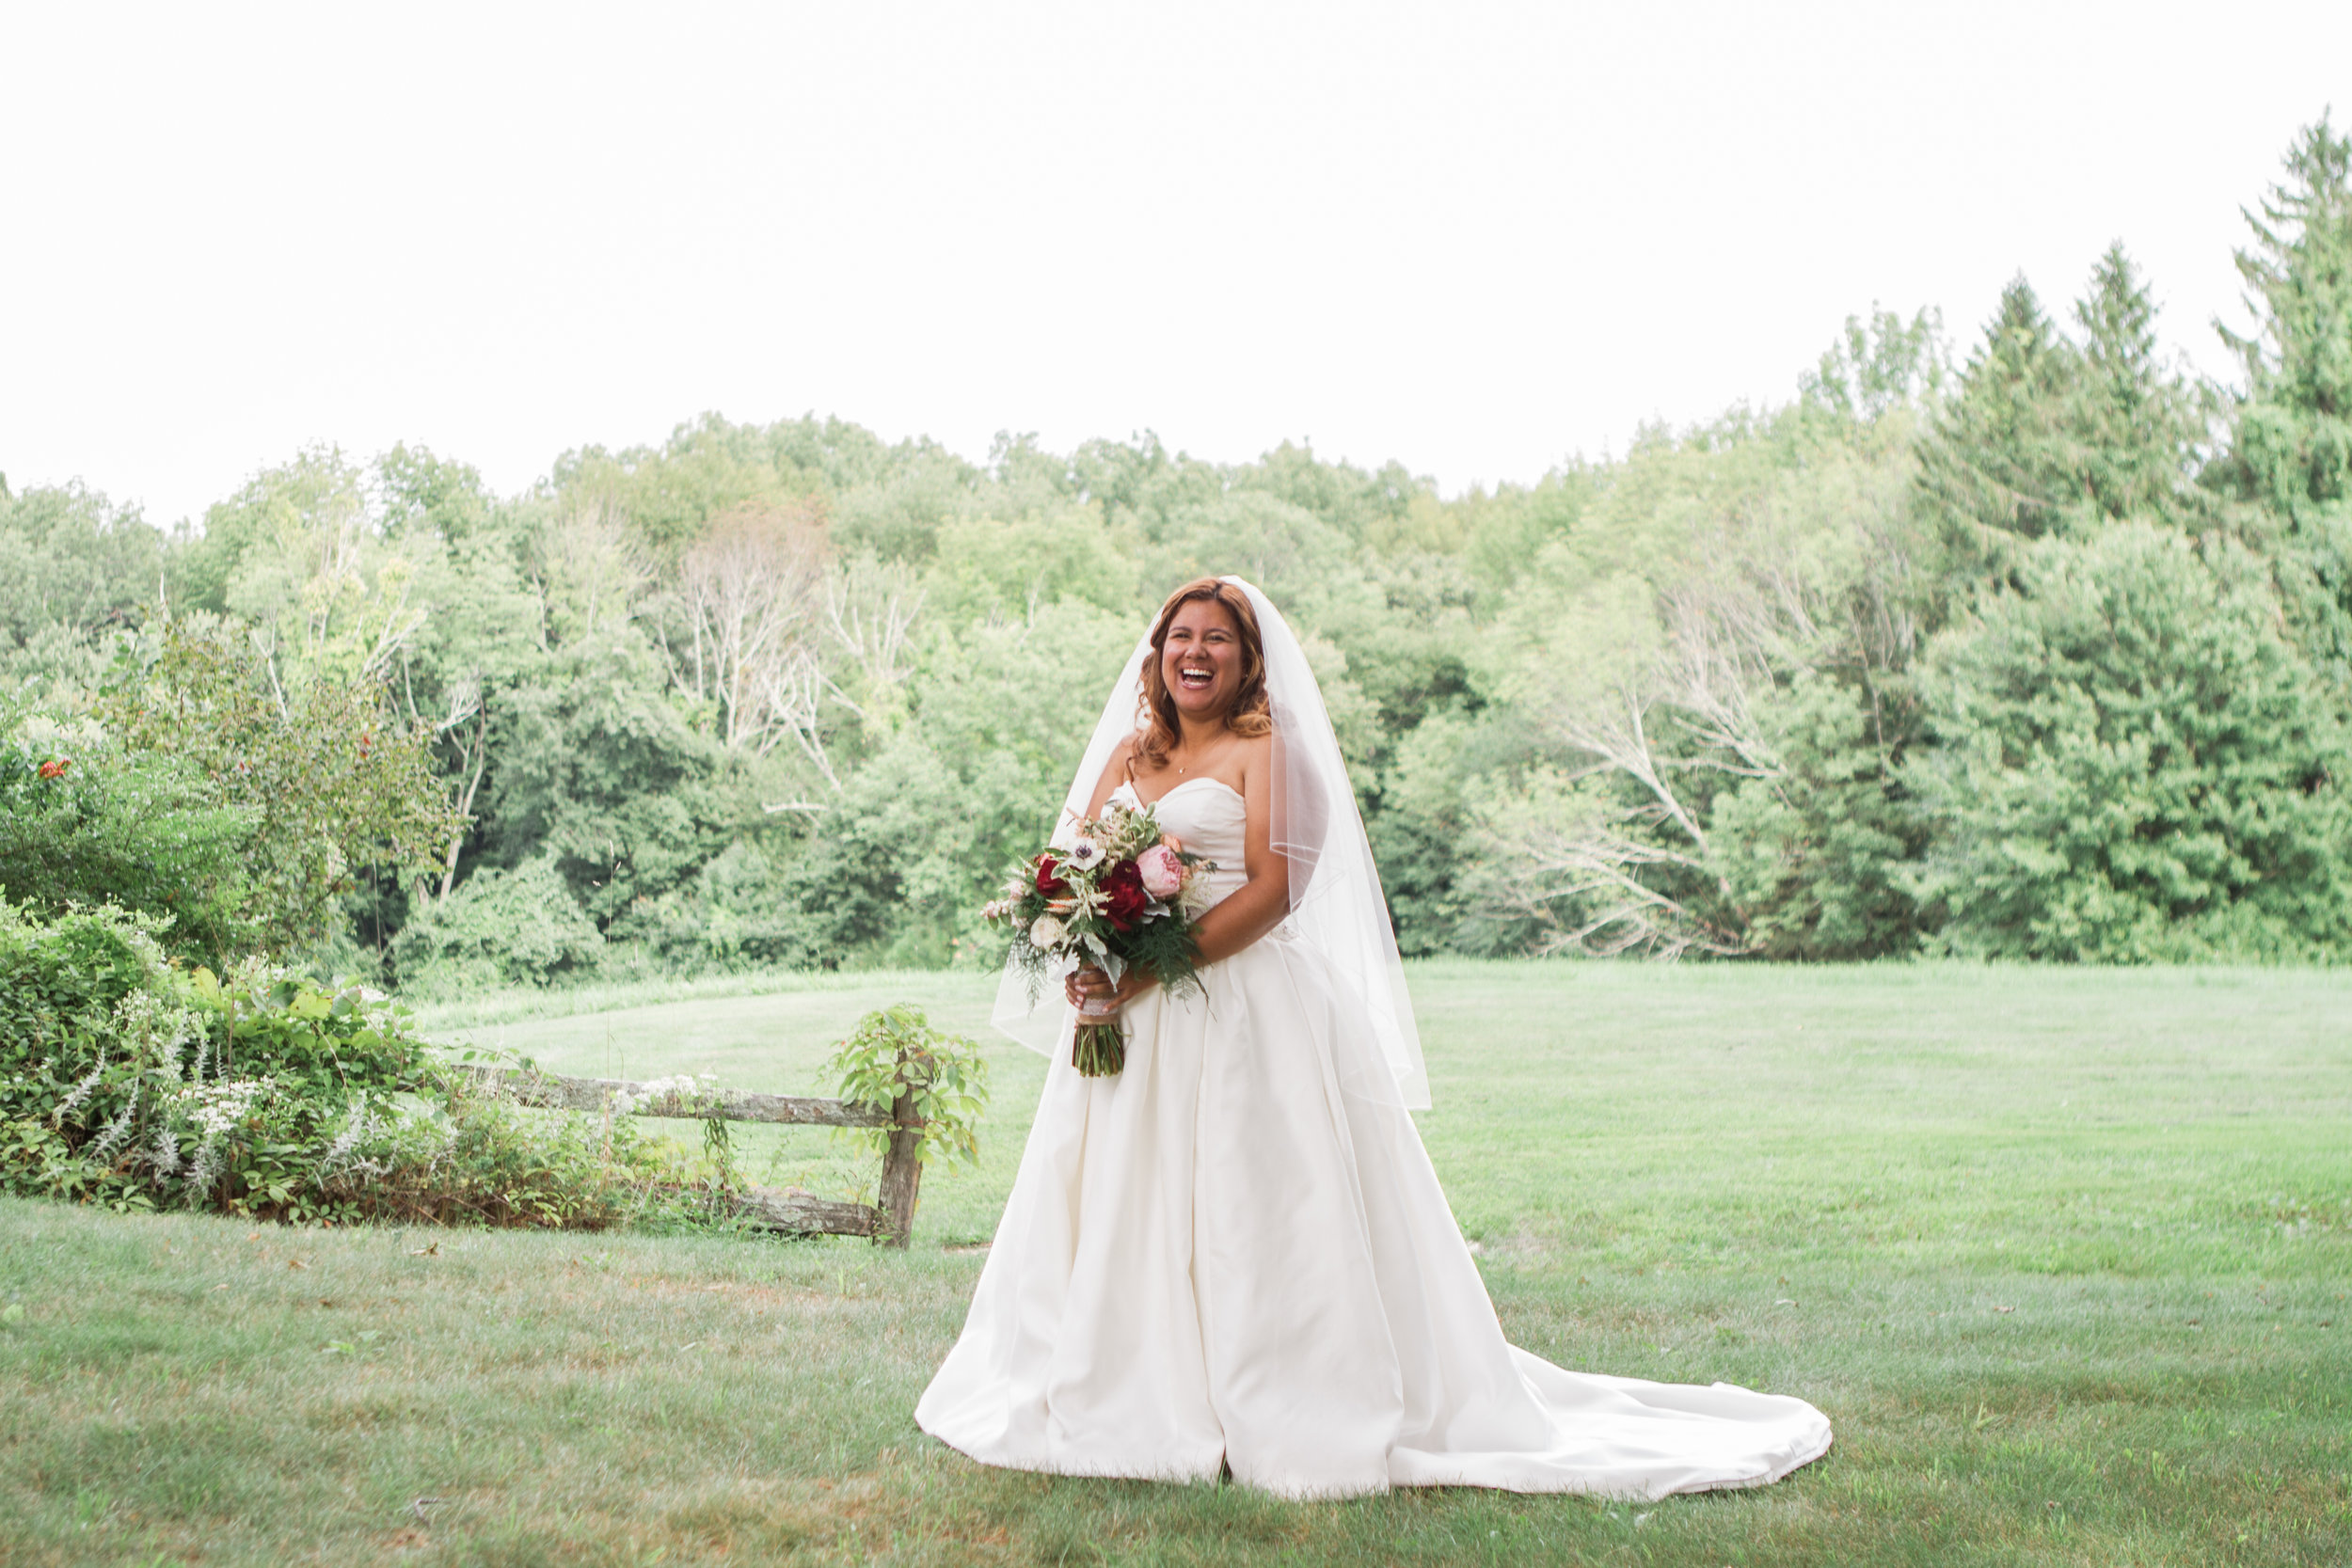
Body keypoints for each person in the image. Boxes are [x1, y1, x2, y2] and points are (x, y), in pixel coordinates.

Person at [915, 577, 1833, 1499]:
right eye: (1178, 637)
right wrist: (1088, 951)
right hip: (1130, 1017)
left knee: (1256, 1201)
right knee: (1127, 1194)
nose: (1194, 652)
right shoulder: (1128, 751)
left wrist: (1150, 966)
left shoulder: (1268, 749)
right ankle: (1139, 1386)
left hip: (1245, 1013)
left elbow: (1274, 891)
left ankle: (1285, 1394)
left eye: (1217, 639)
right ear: (1155, 654)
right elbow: (1078, 867)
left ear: (1249, 658)